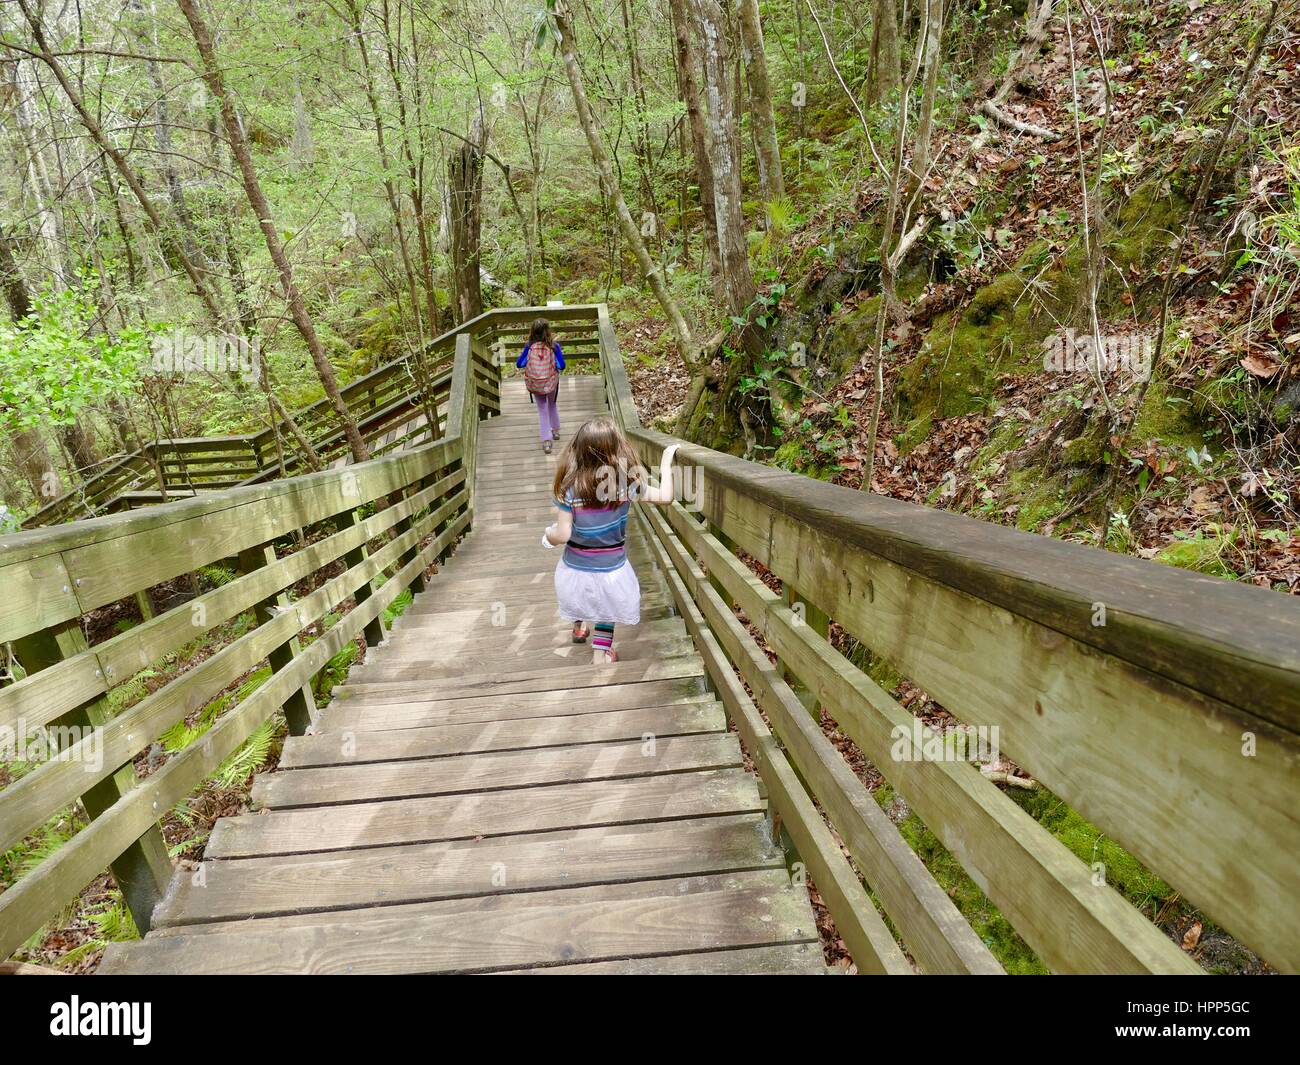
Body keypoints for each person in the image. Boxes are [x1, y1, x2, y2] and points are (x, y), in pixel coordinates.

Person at [541, 417, 681, 664]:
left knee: (586, 597)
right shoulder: (626, 485)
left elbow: (562, 535)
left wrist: (548, 535)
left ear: (579, 452)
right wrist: (666, 461)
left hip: (576, 569)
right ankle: (600, 652)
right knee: (606, 604)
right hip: (612, 568)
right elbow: (667, 497)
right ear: (616, 451)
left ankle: (581, 627)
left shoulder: (569, 489)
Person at [516, 318, 565, 453]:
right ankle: (555, 431)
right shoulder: (554, 346)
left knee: (542, 410)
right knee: (552, 404)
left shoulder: (529, 346)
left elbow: (519, 364)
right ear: (548, 331)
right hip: (551, 382)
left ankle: (546, 441)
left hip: (536, 384)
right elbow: (562, 365)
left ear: (532, 331)